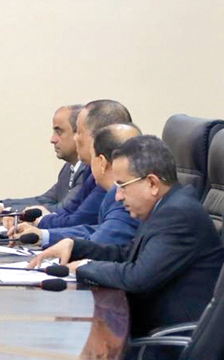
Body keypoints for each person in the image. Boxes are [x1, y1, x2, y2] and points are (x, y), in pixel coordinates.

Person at [28, 135, 224, 337]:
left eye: (122, 186)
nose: (118, 196)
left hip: (166, 341)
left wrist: (83, 267)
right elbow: (128, 254)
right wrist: (75, 246)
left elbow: (136, 277)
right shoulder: (165, 207)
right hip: (149, 329)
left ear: (152, 184)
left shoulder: (178, 214)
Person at [10, 124, 141, 247]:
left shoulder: (123, 197)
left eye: (92, 157)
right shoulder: (112, 192)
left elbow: (98, 242)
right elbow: (97, 230)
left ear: (101, 162)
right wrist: (43, 235)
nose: (76, 138)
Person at [31, 99, 132, 230]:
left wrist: (41, 221)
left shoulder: (112, 178)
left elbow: (78, 222)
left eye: (79, 132)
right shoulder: (90, 171)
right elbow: (68, 211)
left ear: (98, 136)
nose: (75, 138)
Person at [0, 105, 87, 214]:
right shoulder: (69, 167)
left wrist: (3, 211)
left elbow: (62, 209)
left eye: (59, 131)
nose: (52, 139)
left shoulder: (88, 171)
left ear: (79, 133)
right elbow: (44, 200)